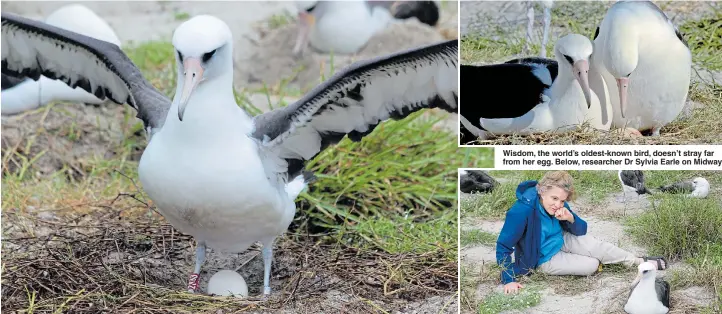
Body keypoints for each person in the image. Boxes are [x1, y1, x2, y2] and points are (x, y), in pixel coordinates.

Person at [496, 171, 668, 294]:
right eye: (554, 198)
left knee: (596, 245)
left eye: (562, 200)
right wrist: (509, 279)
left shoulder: (561, 205)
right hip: (543, 257)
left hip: (561, 239)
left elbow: (581, 230)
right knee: (591, 265)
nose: (557, 204)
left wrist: (570, 218)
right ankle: (604, 263)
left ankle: (637, 261)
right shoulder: (521, 211)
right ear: (541, 190)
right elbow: (503, 245)